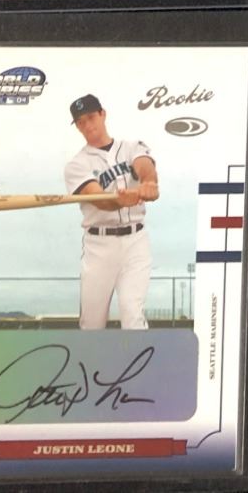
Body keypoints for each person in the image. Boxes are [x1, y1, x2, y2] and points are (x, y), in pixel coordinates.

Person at [63, 93, 158, 330]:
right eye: (80, 122)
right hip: (99, 246)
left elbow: (144, 165)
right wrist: (119, 200)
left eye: (91, 117)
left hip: (136, 241)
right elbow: (99, 199)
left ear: (103, 114)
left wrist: (148, 182)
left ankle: (140, 355)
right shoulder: (76, 164)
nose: (87, 125)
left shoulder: (132, 147)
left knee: (132, 314)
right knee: (91, 324)